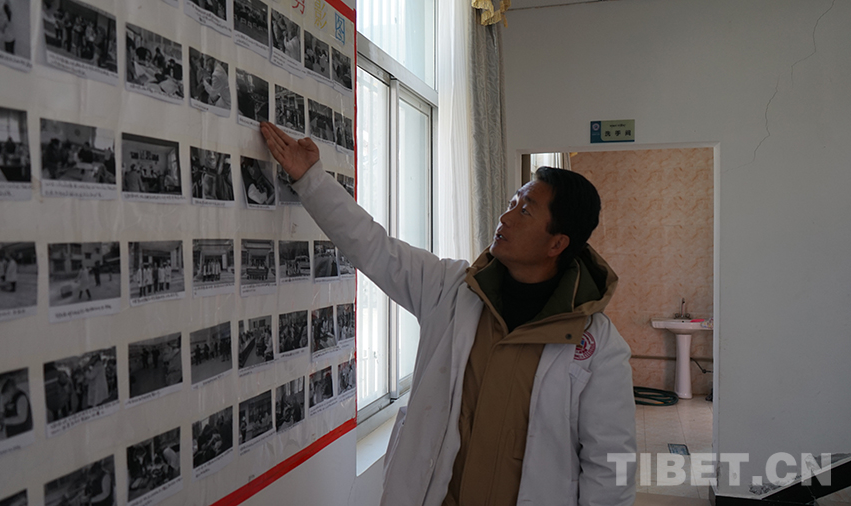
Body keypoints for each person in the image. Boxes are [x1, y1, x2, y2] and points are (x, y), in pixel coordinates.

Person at [259, 122, 635, 506]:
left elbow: (614, 462)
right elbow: (372, 246)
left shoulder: (597, 346)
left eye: (525, 211)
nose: (505, 218)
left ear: (557, 243)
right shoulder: (451, 289)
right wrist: (312, 181)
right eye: (511, 204)